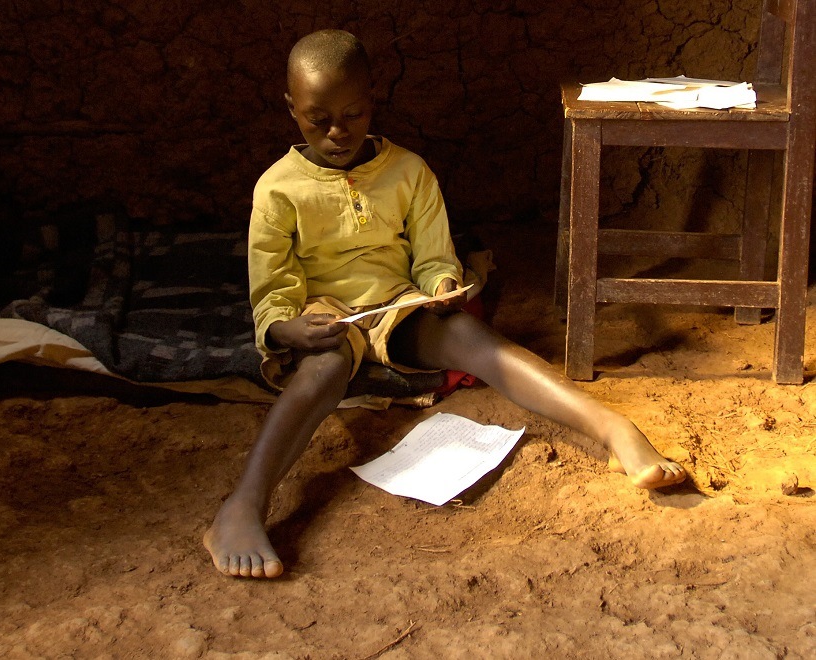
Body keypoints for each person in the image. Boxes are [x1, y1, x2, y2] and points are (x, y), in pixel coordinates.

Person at [203, 29, 687, 579]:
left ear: (372, 102)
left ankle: (612, 429)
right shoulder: (277, 189)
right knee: (323, 370)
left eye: (353, 114)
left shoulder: (410, 171)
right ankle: (243, 505)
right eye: (318, 120)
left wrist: (439, 287)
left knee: (473, 339)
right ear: (291, 109)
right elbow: (271, 293)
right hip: (327, 316)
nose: (337, 132)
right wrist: (290, 331)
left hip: (397, 305)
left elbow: (433, 259)